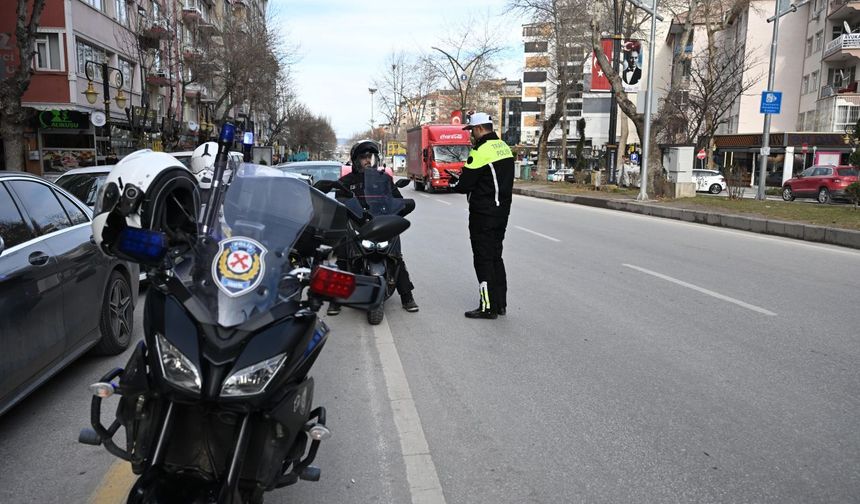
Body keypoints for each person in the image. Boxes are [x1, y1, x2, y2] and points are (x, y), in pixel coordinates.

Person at [327, 139, 419, 315]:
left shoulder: (384, 179)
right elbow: (339, 202)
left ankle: (407, 296)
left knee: (395, 257)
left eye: (370, 156)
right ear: (356, 160)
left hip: (382, 224)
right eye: (364, 157)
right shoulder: (346, 181)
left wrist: (401, 207)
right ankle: (335, 300)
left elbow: (397, 199)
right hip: (358, 225)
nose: (368, 160)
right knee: (343, 257)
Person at [448, 112, 514, 319]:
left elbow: (464, 185)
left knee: (483, 259)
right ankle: (500, 304)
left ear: (478, 129)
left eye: (471, 131)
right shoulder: (504, 147)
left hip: (483, 214)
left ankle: (487, 307)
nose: (471, 135)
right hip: (501, 212)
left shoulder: (480, 151)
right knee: (495, 257)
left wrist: (454, 182)